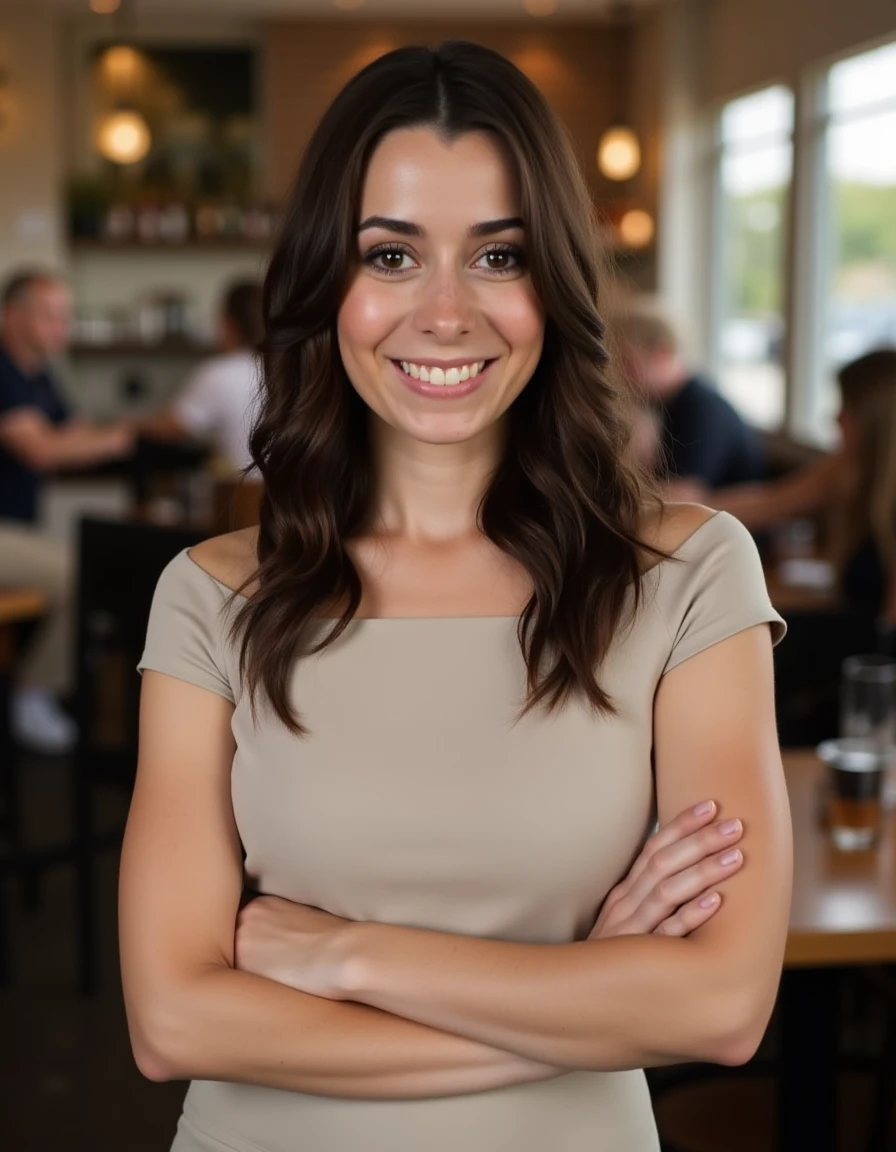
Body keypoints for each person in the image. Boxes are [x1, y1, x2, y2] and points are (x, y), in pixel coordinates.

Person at [120, 42, 792, 1152]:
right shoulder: (210, 597)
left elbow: (719, 1007)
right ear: (325, 281)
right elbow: (172, 1019)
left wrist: (349, 956)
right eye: (389, 255)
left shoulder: (685, 574)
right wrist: (584, 994)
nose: (442, 314)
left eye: (496, 256)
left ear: (554, 283)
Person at [0, 269, 134, 752]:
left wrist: (99, 437)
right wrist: (115, 437)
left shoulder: (37, 375)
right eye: (49, 317)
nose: (62, 328)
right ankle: (33, 696)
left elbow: (74, 432)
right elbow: (41, 450)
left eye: (65, 317)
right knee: (81, 570)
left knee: (91, 565)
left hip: (15, 531)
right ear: (11, 316)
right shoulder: (4, 370)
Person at [698, 347, 896, 622]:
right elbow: (770, 502)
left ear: (877, 420)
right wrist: (683, 509)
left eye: (848, 408)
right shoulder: (845, 468)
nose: (836, 417)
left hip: (869, 652)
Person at [616, 300, 767, 489]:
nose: (620, 374)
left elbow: (683, 495)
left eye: (627, 362)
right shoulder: (665, 404)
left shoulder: (702, 408)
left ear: (661, 353)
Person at [140, 280, 263, 473]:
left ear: (227, 323)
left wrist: (128, 425)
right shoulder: (284, 370)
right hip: (288, 495)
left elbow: (170, 427)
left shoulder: (220, 372)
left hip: (241, 494)